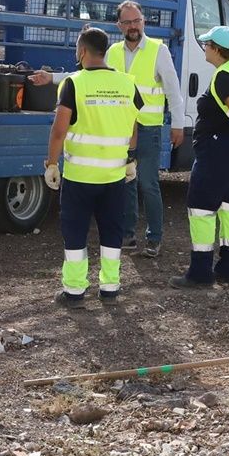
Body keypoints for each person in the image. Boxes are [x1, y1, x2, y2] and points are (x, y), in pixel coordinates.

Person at [31, 1, 184, 258]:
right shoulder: (112, 50)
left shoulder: (159, 51)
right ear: (119, 25)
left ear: (143, 22)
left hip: (148, 128)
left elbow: (173, 90)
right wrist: (53, 78)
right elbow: (88, 73)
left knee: (148, 184)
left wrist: (178, 124)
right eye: (127, 22)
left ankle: (154, 238)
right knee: (126, 184)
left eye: (137, 21)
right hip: (122, 129)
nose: (133, 26)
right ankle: (128, 236)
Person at [43, 26, 141, 308]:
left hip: (80, 177)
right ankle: (110, 289)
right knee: (112, 232)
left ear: (83, 51)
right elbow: (133, 127)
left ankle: (74, 292)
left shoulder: (74, 83)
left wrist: (52, 163)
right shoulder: (127, 83)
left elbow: (59, 130)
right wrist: (130, 158)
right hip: (114, 176)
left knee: (75, 232)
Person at [169, 25, 229, 290]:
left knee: (201, 207)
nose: (204, 49)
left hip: (220, 151)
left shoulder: (225, 75)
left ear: (216, 49)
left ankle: (200, 272)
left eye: (206, 45)